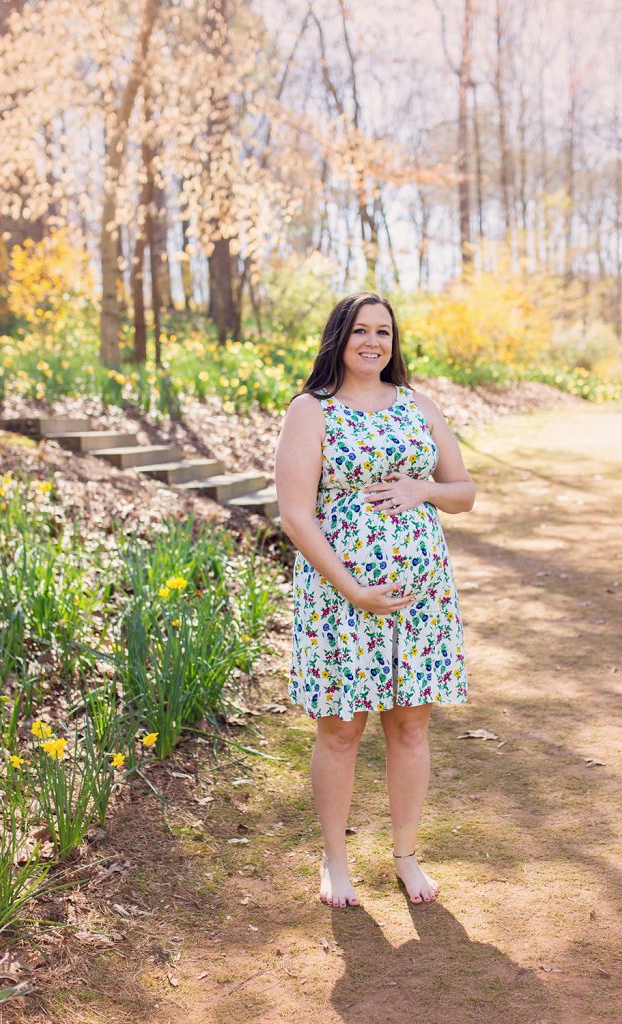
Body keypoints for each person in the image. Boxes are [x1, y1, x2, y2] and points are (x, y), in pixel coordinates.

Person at [274, 291, 475, 909]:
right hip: (342, 596)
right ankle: (335, 860)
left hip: (421, 597)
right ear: (339, 337)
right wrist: (353, 587)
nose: (373, 342)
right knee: (339, 729)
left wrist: (424, 489)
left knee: (412, 725)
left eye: (383, 333)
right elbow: (295, 516)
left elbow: (464, 492)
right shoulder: (312, 411)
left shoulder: (418, 404)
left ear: (394, 342)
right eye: (360, 331)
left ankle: (407, 856)